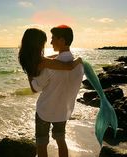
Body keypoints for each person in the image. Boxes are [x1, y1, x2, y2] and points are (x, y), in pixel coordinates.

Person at [18, 27, 83, 157]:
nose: (50, 43)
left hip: (45, 111)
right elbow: (67, 66)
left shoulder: (46, 65)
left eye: (53, 38)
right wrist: (79, 59)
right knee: (61, 141)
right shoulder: (79, 66)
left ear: (62, 40)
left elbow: (35, 88)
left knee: (41, 144)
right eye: (46, 41)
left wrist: (31, 74)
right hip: (63, 111)